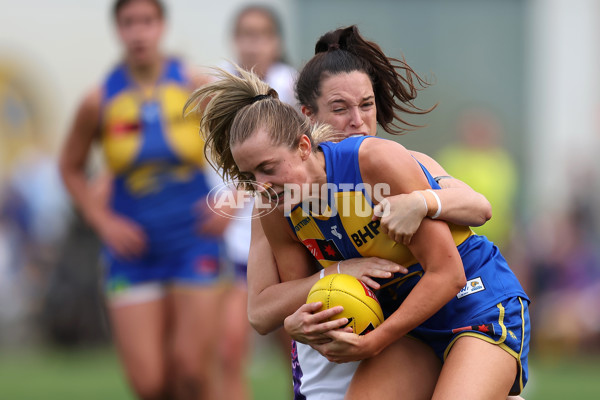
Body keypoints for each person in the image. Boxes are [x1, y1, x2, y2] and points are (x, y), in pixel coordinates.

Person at [187, 26, 529, 400]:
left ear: (303, 146)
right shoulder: (275, 200)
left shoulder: (378, 160)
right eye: (251, 175)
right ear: (309, 116)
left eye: (366, 105)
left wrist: (424, 202)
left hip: (472, 303)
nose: (357, 120)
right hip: (406, 326)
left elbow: (454, 261)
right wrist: (307, 308)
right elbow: (272, 308)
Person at [59, 1, 226, 399]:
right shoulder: (98, 100)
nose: (139, 32)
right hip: (132, 251)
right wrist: (102, 221)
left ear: (161, 26)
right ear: (118, 30)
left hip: (193, 240)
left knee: (191, 370)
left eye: (147, 21)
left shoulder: (193, 82)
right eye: (129, 23)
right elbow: (70, 168)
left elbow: (245, 144)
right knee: (151, 384)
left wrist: (231, 199)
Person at [218, 5, 299, 400]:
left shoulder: (294, 89)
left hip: (288, 230)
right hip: (237, 238)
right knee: (229, 349)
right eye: (245, 35)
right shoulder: (221, 92)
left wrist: (239, 192)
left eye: (261, 35)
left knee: (295, 350)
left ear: (277, 42)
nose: (253, 44)